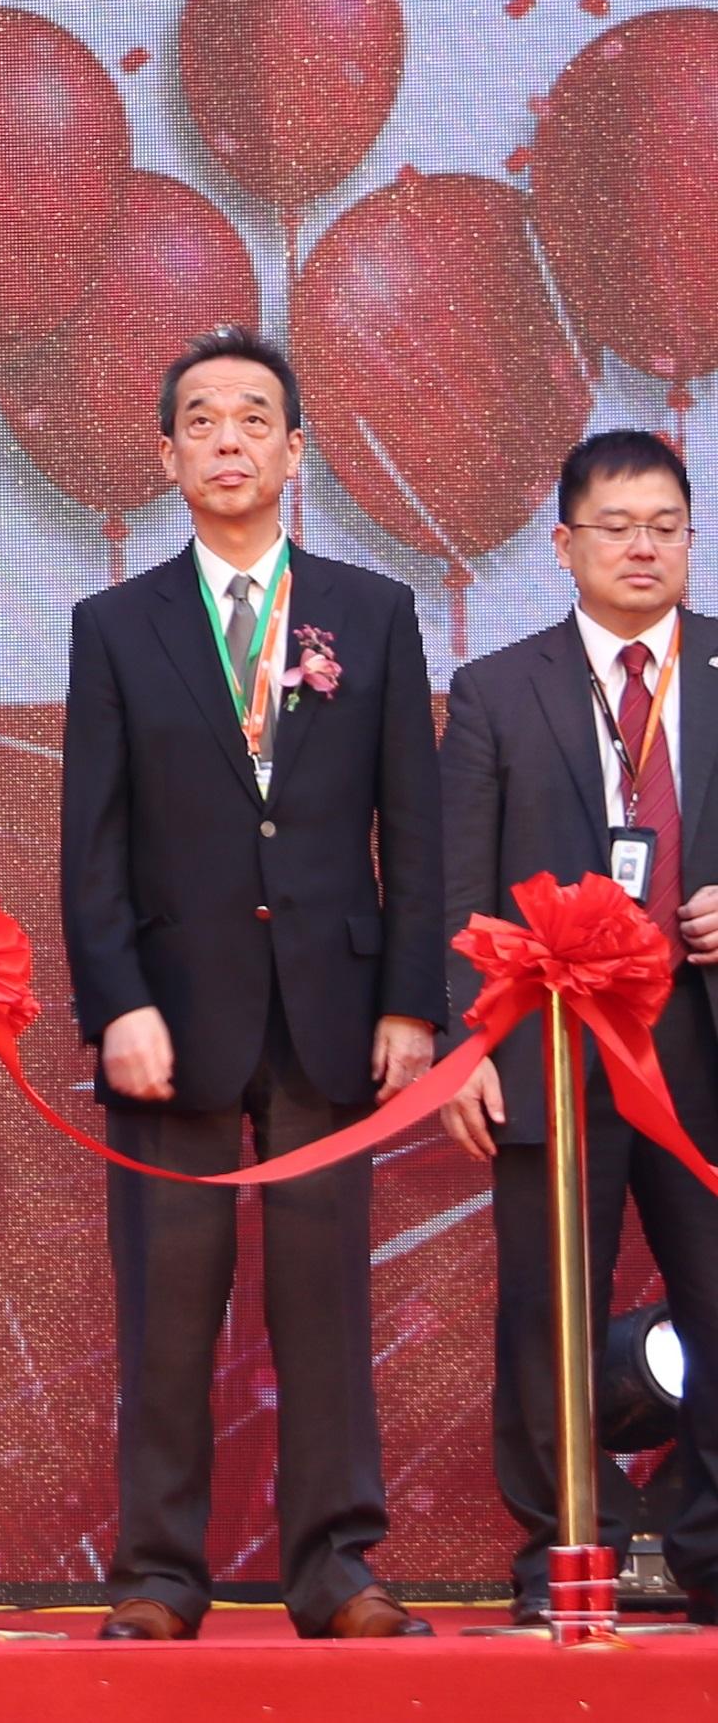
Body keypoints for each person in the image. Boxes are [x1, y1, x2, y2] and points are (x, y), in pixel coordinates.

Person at [60, 325, 439, 1642]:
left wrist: (409, 1001)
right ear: (165, 455)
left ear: (294, 451)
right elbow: (92, 843)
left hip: (331, 1007)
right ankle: (158, 1574)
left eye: (253, 419)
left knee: (323, 1298)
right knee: (168, 1303)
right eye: (201, 421)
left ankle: (335, 1565)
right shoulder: (115, 626)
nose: (228, 440)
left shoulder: (370, 613)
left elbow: (414, 827)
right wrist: (117, 1004)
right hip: (169, 1014)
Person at [442, 428, 718, 1622]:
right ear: (561, 544)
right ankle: (567, 1555)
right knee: (547, 1305)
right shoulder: (498, 690)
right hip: (547, 1043)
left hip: (699, 1037)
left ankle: (709, 1552)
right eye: (614, 526)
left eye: (664, 526)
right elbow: (454, 886)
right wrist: (462, 1046)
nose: (640, 547)